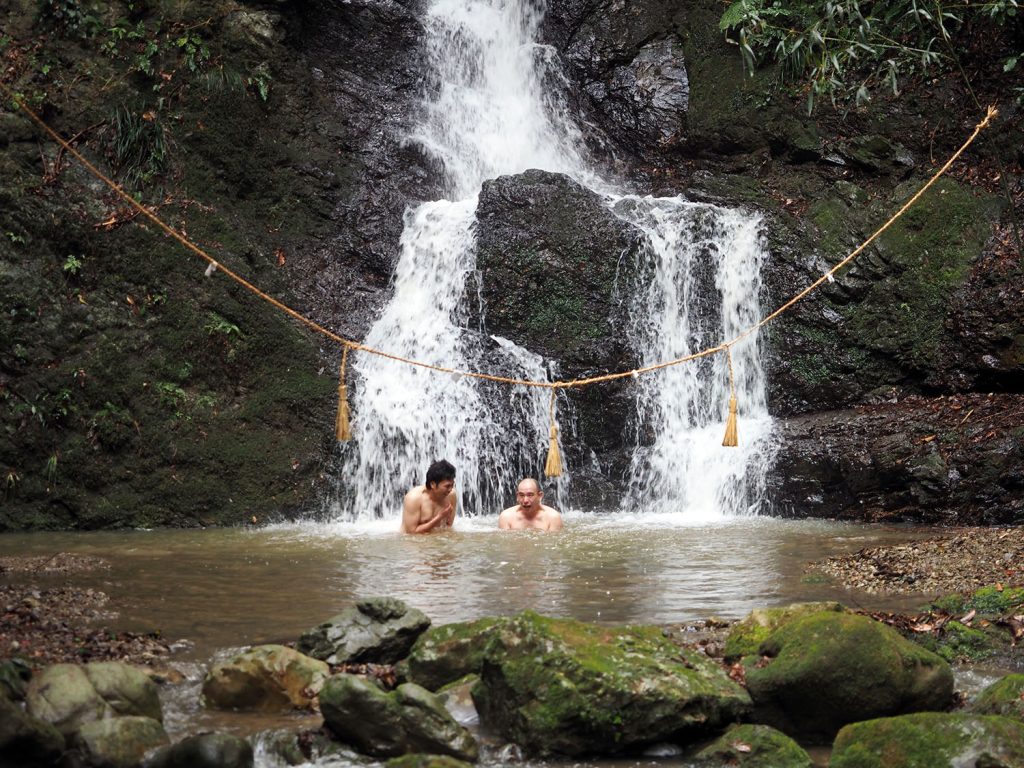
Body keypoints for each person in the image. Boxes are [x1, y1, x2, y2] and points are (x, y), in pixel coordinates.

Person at [401, 459, 458, 534]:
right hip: (414, 542)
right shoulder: (414, 498)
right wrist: (439, 517)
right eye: (447, 486)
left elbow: (448, 526)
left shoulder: (451, 495)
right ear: (433, 484)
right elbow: (411, 533)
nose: (450, 489)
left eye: (452, 485)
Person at [498, 478, 563, 531]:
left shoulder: (553, 518)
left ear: (540, 495)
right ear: (517, 496)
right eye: (521, 495)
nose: (525, 500)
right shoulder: (506, 517)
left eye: (530, 495)